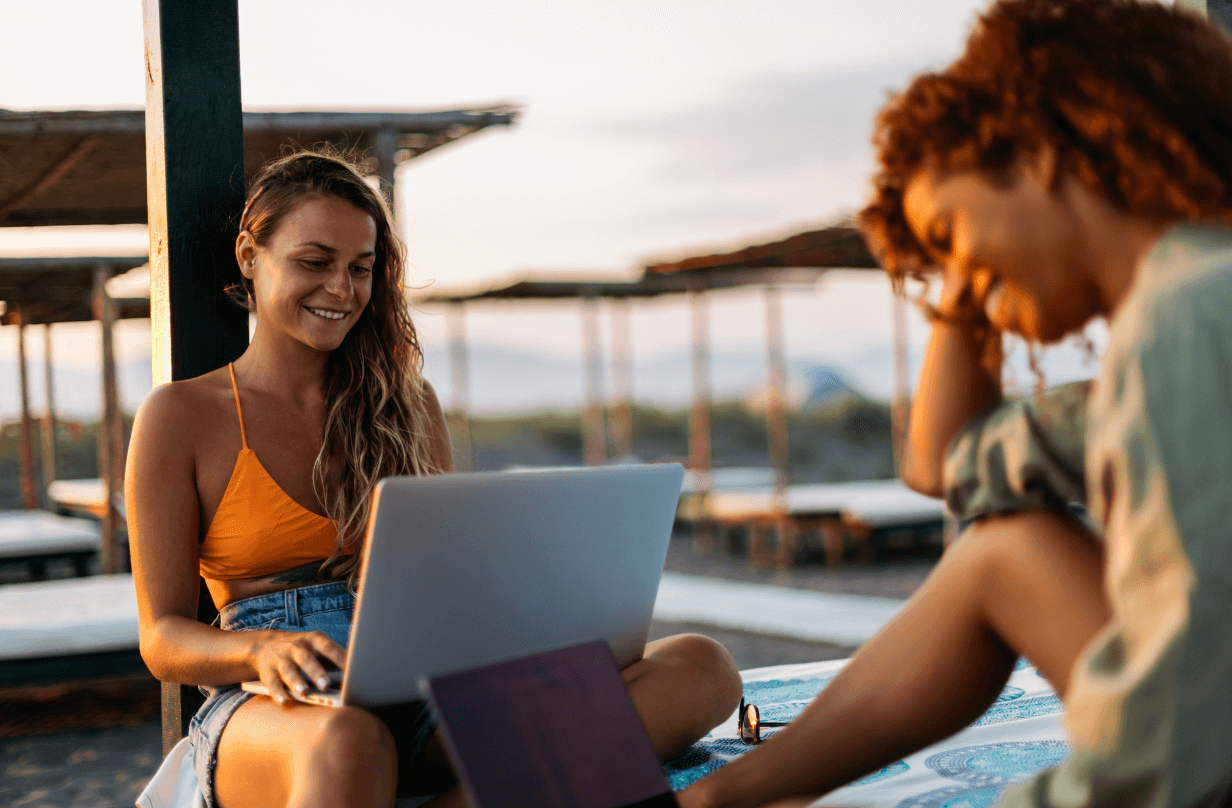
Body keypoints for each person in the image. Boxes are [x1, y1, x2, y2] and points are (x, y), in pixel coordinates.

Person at [677, 1, 1232, 807]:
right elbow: (954, 465)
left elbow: (1187, 744)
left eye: (950, 235)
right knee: (1006, 551)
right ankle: (717, 799)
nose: (961, 291)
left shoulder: (1188, 322)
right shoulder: (1183, 313)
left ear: (1036, 151)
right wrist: (979, 281)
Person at [127, 150, 743, 808]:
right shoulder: (180, 417)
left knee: (701, 667)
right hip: (270, 699)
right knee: (349, 741)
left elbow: (456, 581)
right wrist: (260, 650)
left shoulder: (407, 404)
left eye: (361, 270)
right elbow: (162, 637)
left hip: (420, 682)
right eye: (315, 262)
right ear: (251, 254)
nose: (341, 289)